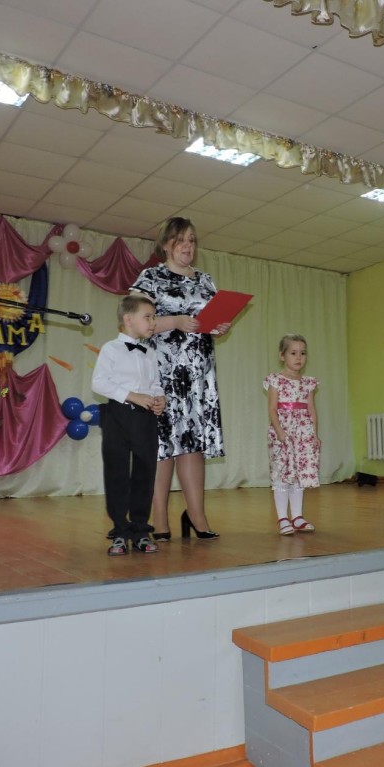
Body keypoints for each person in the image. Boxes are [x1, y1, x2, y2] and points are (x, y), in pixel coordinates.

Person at [131, 217, 229, 540]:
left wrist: (219, 325)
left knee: (192, 445)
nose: (188, 246)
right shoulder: (151, 277)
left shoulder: (205, 280)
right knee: (162, 446)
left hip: (198, 377)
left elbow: (211, 320)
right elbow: (135, 322)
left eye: (192, 240)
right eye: (180, 240)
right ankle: (159, 518)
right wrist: (175, 321)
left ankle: (197, 516)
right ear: (166, 245)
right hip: (162, 375)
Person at [91, 294, 166, 555]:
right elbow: (99, 383)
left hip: (145, 418)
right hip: (117, 416)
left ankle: (141, 529)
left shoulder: (150, 352)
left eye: (154, 317)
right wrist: (132, 396)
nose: (153, 322)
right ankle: (120, 530)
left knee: (145, 472)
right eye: (148, 317)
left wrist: (160, 399)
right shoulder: (110, 349)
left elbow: (155, 384)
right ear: (128, 319)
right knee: (117, 472)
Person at [264, 334, 320, 535]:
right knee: (282, 475)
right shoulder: (275, 380)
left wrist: (314, 435)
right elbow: (272, 409)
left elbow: (311, 410)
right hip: (283, 433)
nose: (299, 358)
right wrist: (280, 431)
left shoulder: (308, 383)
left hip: (303, 434)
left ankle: (297, 516)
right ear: (282, 355)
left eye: (303, 353)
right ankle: (283, 518)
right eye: (293, 353)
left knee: (298, 476)